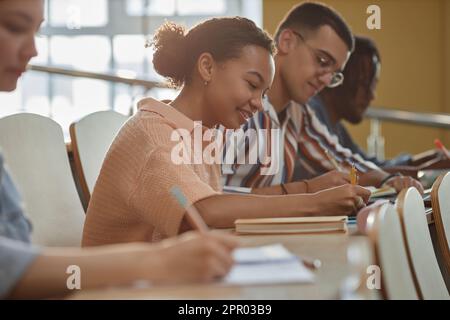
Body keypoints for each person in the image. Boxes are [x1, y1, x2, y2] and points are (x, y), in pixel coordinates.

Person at [0, 0, 238, 300]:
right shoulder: (153, 134)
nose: (33, 50)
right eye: (14, 27)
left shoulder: (201, 135)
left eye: (37, 32)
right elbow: (9, 271)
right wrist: (158, 262)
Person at [83, 16, 371, 247]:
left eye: (264, 92)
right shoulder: (155, 137)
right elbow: (203, 212)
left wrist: (310, 192)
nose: (259, 104)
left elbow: (215, 214)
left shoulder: (202, 135)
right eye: (252, 84)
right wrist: (315, 202)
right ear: (207, 67)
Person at [221, 2, 424, 195]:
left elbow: (340, 159)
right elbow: (211, 197)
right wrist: (306, 191)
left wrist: (387, 179)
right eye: (322, 60)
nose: (326, 80)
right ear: (287, 42)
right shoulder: (240, 104)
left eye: (334, 74)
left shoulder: (298, 112)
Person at [308, 35, 449, 174]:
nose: (371, 95)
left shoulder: (336, 128)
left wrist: (418, 161)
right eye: (364, 83)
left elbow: (365, 165)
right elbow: (348, 174)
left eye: (372, 85)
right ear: (338, 77)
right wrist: (422, 170)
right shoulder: (311, 116)